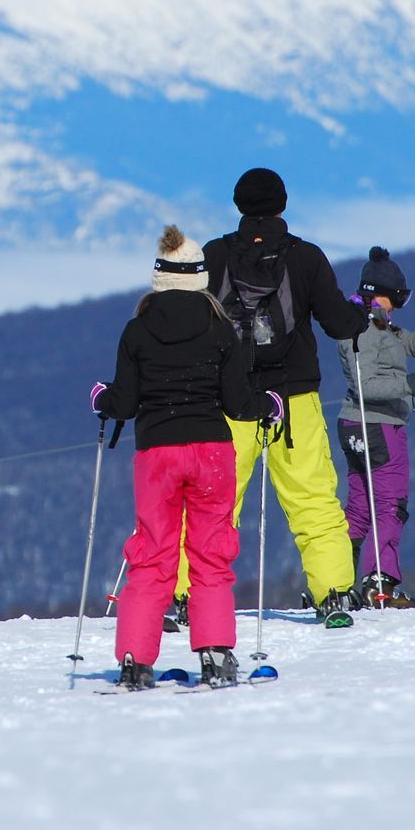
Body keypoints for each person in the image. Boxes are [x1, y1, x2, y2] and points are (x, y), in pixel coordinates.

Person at [174, 167, 369, 627]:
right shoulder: (305, 257)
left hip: (228, 400)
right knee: (312, 498)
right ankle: (334, 594)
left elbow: (190, 322)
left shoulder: (215, 255)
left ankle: (186, 594)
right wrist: (359, 318)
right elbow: (339, 323)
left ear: (239, 205)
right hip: (293, 396)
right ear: (283, 204)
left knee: (212, 502)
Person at [94, 226, 279, 689]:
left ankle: (136, 660)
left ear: (159, 277)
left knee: (153, 556)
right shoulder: (220, 330)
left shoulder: (137, 330)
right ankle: (216, 653)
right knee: (211, 554)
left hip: (156, 452)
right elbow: (238, 402)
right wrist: (269, 404)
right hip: (212, 451)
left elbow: (125, 402)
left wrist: (102, 399)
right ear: (200, 278)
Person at [333, 247, 415, 608]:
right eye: (399, 298)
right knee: (391, 506)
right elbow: (367, 385)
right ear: (385, 293)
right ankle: (378, 583)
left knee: (359, 510)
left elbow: (402, 344)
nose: (400, 306)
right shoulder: (364, 328)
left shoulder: (370, 320)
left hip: (353, 425)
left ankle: (339, 578)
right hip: (379, 427)